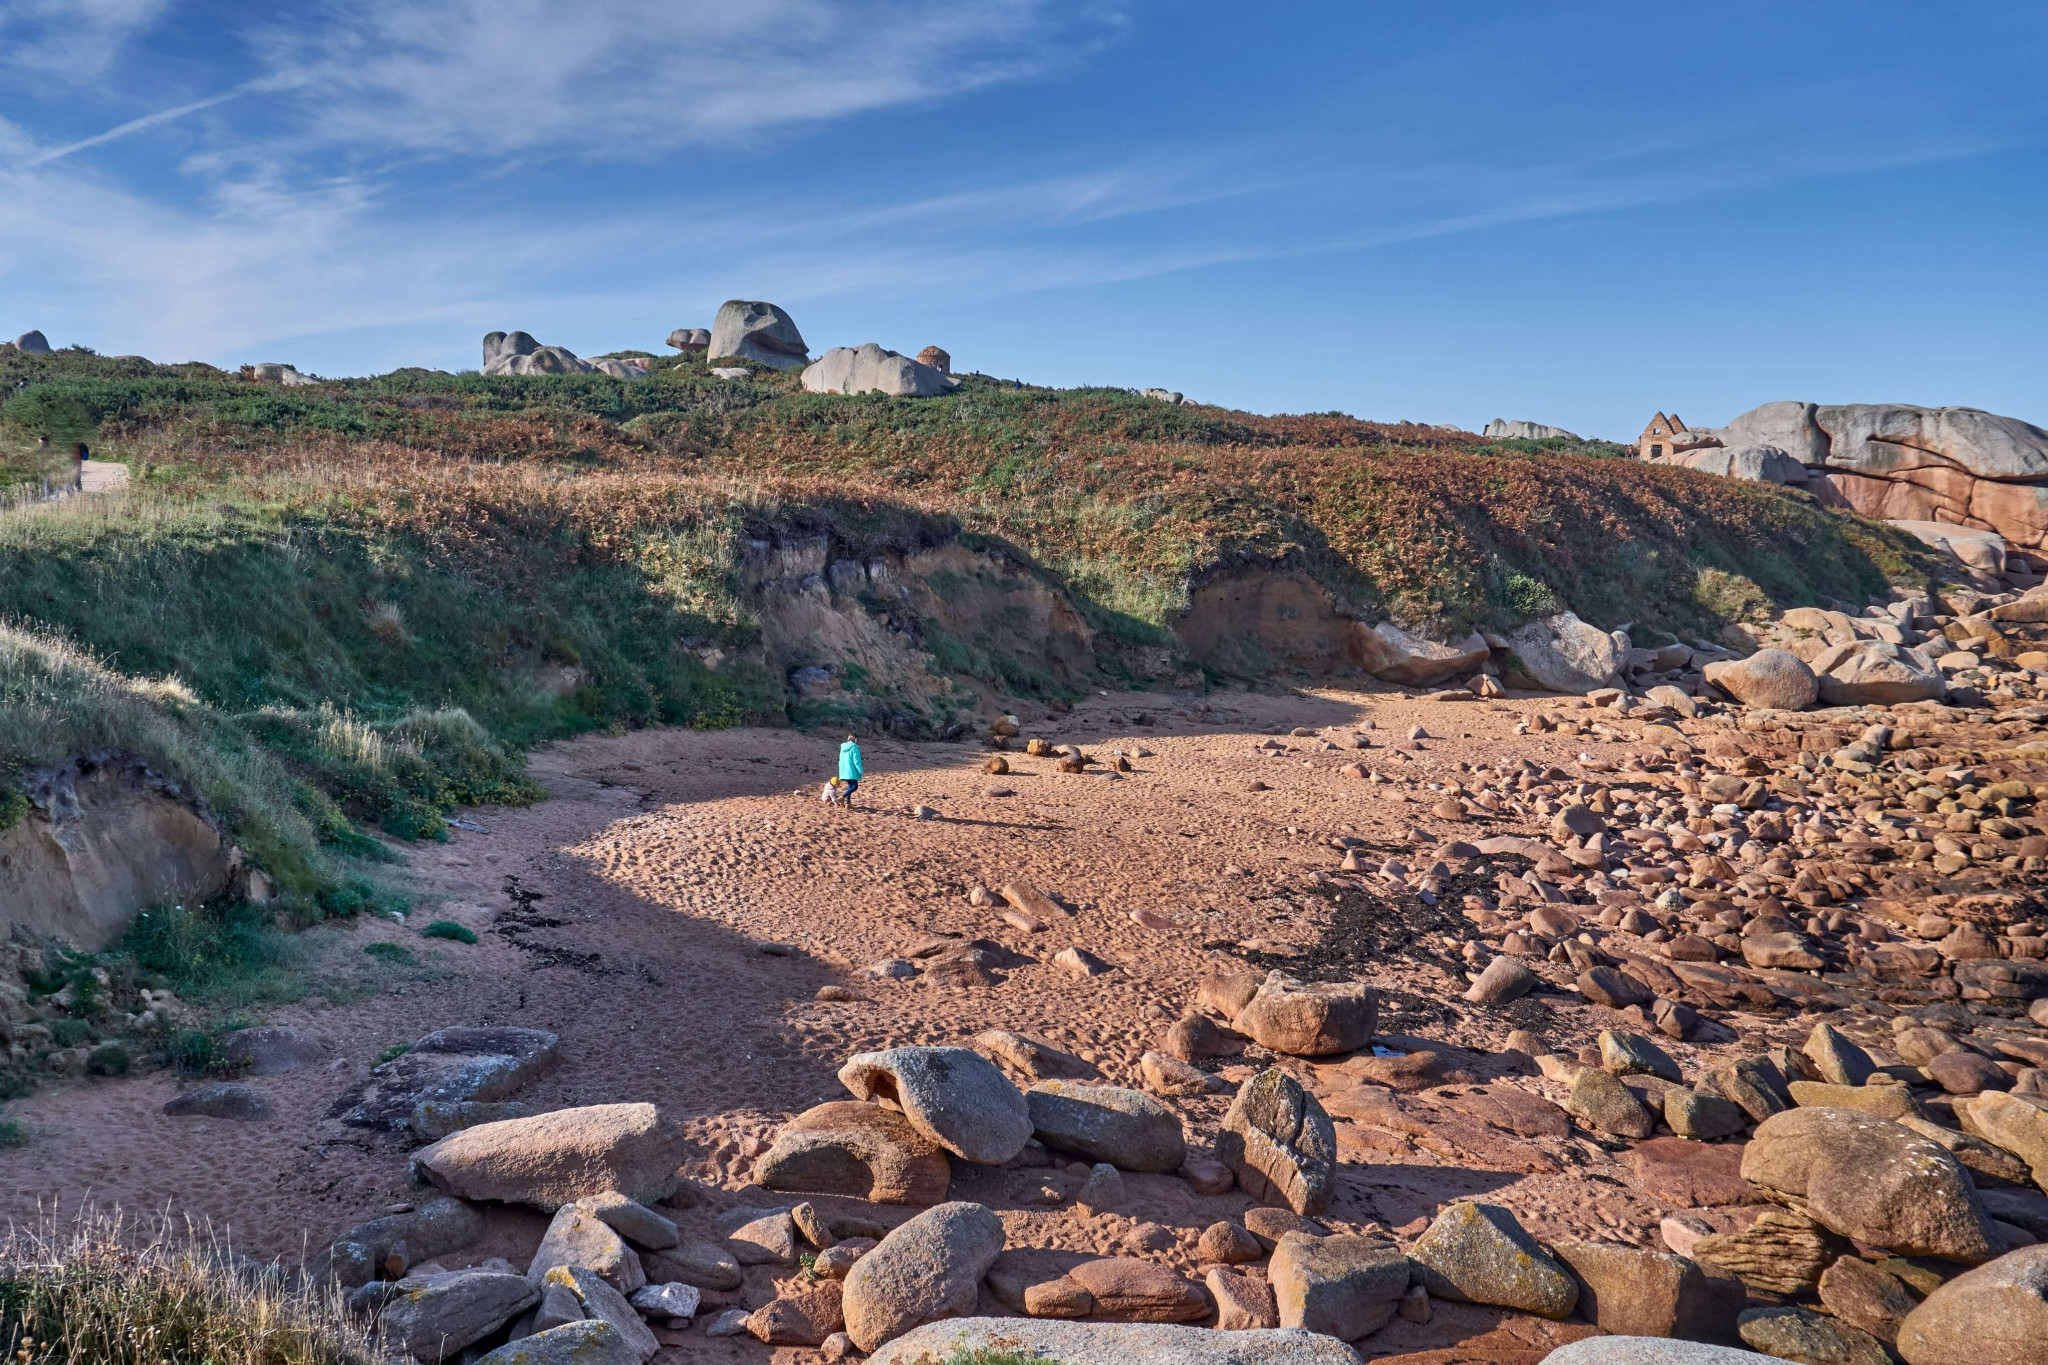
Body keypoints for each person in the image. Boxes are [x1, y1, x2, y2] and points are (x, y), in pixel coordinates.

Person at [837, 733, 863, 806]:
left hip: (844, 769)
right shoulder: (854, 747)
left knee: (850, 785)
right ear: (856, 739)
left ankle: (848, 803)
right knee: (855, 786)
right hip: (852, 770)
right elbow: (856, 761)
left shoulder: (843, 747)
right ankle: (843, 797)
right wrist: (860, 771)